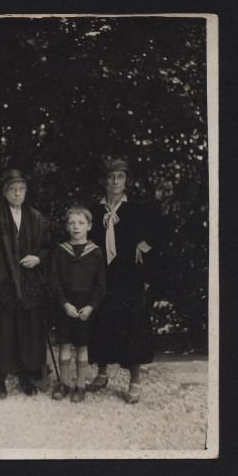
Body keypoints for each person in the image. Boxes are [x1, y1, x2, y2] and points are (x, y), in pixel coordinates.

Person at [0, 169, 49, 399]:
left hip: (28, 285)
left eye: (21, 188)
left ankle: (25, 374)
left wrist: (38, 258)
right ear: (5, 192)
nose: (17, 193)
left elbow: (46, 247)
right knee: (2, 330)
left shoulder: (36, 217)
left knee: (26, 329)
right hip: (0, 285)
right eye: (12, 189)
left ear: (26, 191)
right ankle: (0, 378)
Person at [88, 158, 162, 403]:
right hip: (103, 275)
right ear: (104, 181)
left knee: (133, 325)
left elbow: (159, 229)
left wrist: (143, 246)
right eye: (111, 177)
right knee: (101, 321)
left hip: (129, 275)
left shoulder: (137, 208)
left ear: (126, 181)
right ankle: (101, 373)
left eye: (120, 176)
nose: (115, 181)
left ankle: (135, 382)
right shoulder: (95, 211)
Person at [50, 205, 106, 403]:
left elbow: (101, 285)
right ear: (66, 227)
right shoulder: (60, 252)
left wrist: (91, 306)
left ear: (89, 226)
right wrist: (64, 304)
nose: (76, 227)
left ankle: (80, 386)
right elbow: (54, 281)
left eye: (81, 223)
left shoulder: (96, 253)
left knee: (82, 346)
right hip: (65, 305)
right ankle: (63, 383)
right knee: (64, 344)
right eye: (72, 223)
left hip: (85, 308)